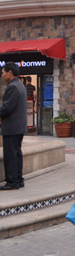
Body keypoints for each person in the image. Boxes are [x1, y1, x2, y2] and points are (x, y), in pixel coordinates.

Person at [0, 62, 28, 190]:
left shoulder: (12, 87)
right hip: (18, 126)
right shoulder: (20, 85)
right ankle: (18, 179)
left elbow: (7, 108)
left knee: (11, 155)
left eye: (3, 72)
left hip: (11, 127)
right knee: (17, 154)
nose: (2, 75)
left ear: (9, 73)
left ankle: (12, 182)